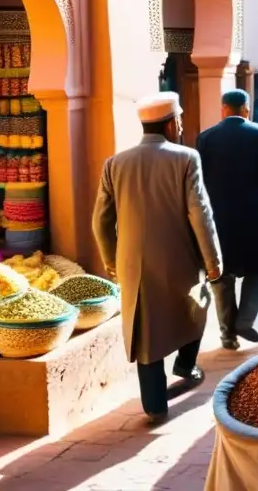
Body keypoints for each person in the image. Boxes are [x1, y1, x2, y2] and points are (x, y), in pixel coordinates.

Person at [91, 92, 222, 424]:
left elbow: (100, 222)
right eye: (178, 119)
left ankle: (154, 405)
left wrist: (112, 261)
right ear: (169, 123)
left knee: (145, 332)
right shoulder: (186, 158)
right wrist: (213, 260)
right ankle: (184, 362)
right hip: (182, 260)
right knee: (197, 307)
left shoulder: (114, 163)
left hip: (133, 266)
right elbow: (200, 214)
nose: (180, 125)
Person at [197, 90, 258, 351]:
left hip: (218, 216)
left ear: (223, 109)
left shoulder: (205, 138)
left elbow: (197, 178)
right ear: (246, 109)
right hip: (254, 214)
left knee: (221, 276)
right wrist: (257, 188)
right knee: (256, 270)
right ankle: (245, 319)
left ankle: (228, 334)